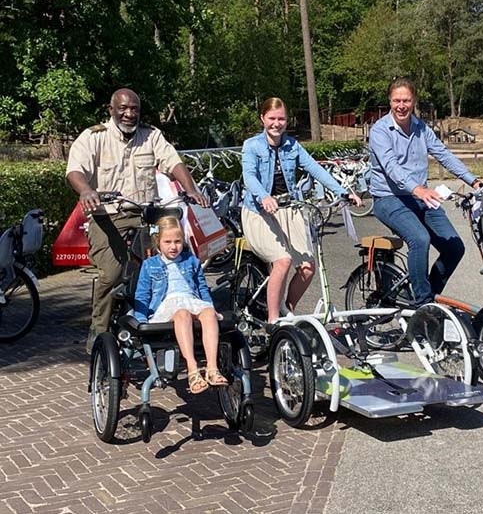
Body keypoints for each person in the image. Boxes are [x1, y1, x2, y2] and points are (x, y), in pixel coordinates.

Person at [66, 88, 208, 354]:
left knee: (177, 259)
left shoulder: (151, 135)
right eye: (123, 108)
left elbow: (174, 163)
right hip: (108, 216)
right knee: (112, 274)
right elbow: (75, 170)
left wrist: (190, 188)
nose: (129, 114)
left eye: (134, 109)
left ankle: (181, 320)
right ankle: (99, 331)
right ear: (111, 110)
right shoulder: (94, 137)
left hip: (146, 214)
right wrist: (86, 190)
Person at [241, 97, 361, 324]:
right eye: (272, 118)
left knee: (307, 268)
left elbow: (316, 169)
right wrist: (264, 196)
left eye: (281, 119)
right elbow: (249, 176)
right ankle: (273, 321)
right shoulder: (252, 146)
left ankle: (287, 309)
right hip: (259, 211)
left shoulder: (292, 146)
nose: (277, 124)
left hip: (289, 208)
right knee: (283, 260)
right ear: (262, 119)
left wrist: (344, 192)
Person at [369, 77, 480, 306]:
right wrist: (417, 189)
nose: (401, 106)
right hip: (389, 199)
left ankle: (427, 294)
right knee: (420, 239)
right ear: (389, 101)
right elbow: (391, 167)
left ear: (413, 101)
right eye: (397, 100)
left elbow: (443, 154)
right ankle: (421, 305)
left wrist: (474, 181)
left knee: (454, 247)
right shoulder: (380, 130)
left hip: (420, 197)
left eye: (406, 100)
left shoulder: (421, 128)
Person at [133, 216, 227, 394]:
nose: (173, 246)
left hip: (191, 299)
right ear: (157, 242)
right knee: (181, 314)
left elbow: (201, 288)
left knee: (208, 313)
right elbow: (142, 294)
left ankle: (212, 368)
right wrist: (140, 318)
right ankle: (192, 369)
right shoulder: (149, 265)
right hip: (167, 303)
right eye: (167, 242)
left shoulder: (191, 261)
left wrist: (210, 306)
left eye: (177, 241)